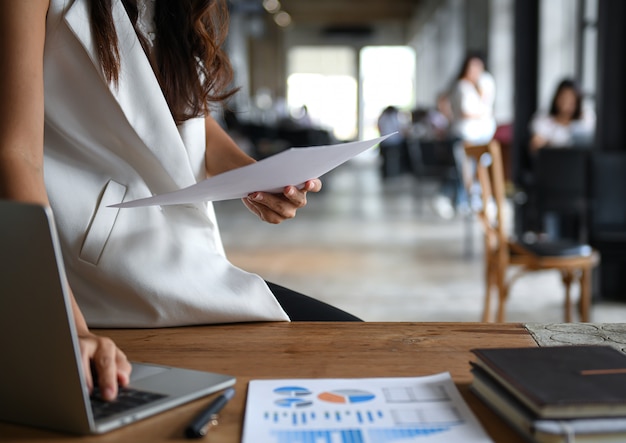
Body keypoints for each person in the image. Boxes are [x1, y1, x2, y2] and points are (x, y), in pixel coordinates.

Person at [0, 0, 360, 403]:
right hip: (95, 282)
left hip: (187, 262)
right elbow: (16, 155)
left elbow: (187, 120)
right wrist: (68, 328)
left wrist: (258, 178)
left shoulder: (177, 7)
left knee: (355, 354)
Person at [529, 78, 595, 153]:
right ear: (557, 98)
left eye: (571, 100)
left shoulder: (586, 119)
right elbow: (535, 146)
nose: (567, 103)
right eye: (564, 98)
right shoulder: (544, 121)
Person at [448, 53, 497, 146]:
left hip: (481, 135)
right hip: (465, 135)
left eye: (479, 68)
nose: (476, 71)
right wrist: (482, 114)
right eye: (473, 67)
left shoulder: (481, 84)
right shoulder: (462, 86)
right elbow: (465, 112)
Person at [377, 106, 409, 179]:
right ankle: (399, 171)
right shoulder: (393, 117)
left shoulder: (382, 117)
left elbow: (379, 128)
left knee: (384, 159)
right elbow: (399, 129)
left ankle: (385, 174)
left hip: (384, 142)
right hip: (393, 143)